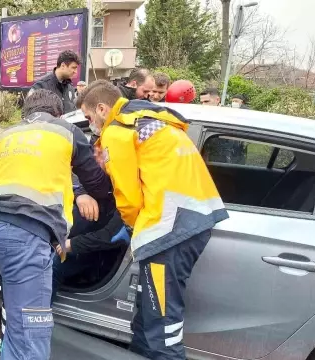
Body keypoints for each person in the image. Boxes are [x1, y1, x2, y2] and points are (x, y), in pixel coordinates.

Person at [77, 80, 228, 360]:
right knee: (147, 314)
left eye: (88, 118)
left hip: (168, 229)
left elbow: (128, 196)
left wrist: (133, 229)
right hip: (193, 218)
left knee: (161, 326)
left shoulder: (119, 131)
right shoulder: (150, 119)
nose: (91, 125)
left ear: (101, 108)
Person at [0, 89, 111, 360]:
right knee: (31, 337)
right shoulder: (66, 131)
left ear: (25, 114)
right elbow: (96, 182)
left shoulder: (9, 133)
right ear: (59, 114)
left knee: (18, 321)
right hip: (24, 236)